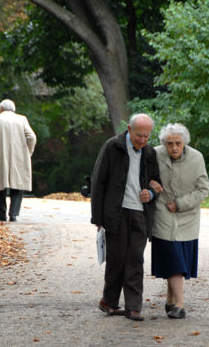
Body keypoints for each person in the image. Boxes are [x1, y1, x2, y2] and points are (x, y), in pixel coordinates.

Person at [91, 113, 162, 321]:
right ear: (129, 130)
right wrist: (97, 217)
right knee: (117, 259)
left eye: (147, 137)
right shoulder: (112, 147)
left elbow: (156, 181)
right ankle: (109, 302)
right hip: (116, 212)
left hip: (140, 213)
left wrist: (151, 193)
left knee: (135, 260)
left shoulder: (149, 152)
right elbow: (99, 182)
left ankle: (134, 307)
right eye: (139, 135)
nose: (143, 140)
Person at [150, 123, 209, 319]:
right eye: (169, 144)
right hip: (162, 213)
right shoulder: (154, 154)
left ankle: (170, 299)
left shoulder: (196, 158)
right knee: (172, 257)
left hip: (187, 216)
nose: (173, 148)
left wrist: (181, 203)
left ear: (184, 143)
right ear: (163, 143)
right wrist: (150, 183)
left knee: (175, 260)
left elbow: (203, 189)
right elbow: (144, 177)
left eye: (177, 143)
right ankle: (180, 304)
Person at [0, 99, 36, 222]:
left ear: (1, 109)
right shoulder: (22, 119)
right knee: (17, 184)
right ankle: (13, 214)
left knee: (0, 184)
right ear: (14, 109)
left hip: (0, 154)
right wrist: (28, 152)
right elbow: (32, 137)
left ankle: (1, 214)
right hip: (19, 154)